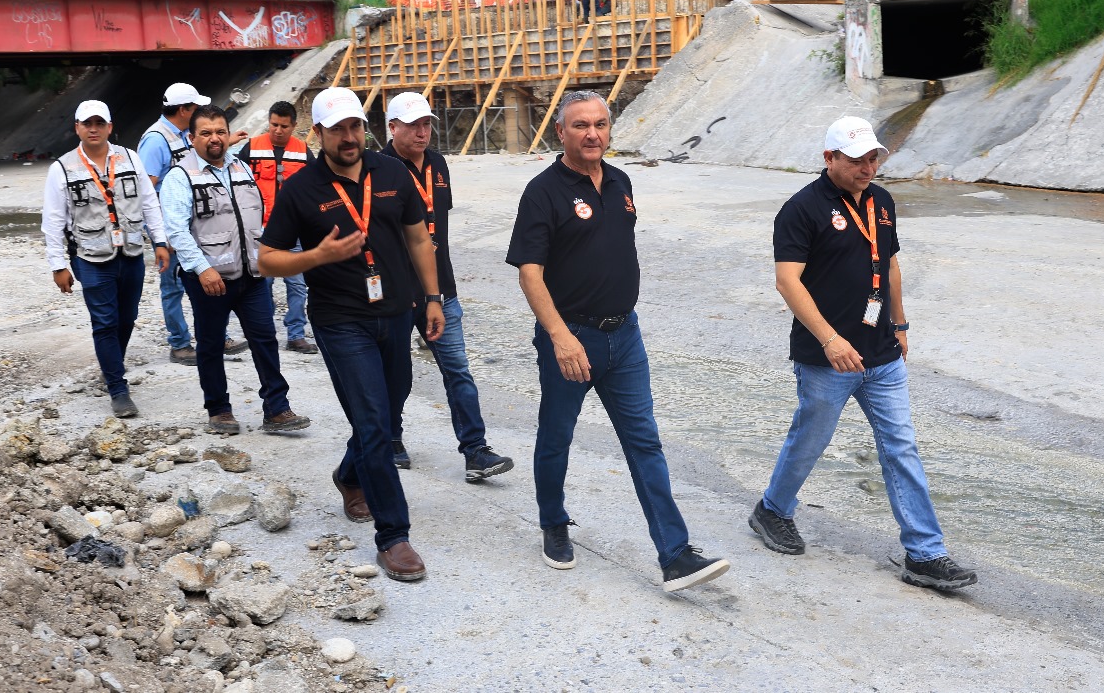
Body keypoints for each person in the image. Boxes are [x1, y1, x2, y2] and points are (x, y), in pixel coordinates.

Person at [505, 89, 730, 594]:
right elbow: (529, 274)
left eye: (600, 124)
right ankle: (553, 522)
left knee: (644, 440)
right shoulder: (542, 192)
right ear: (560, 132)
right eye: (580, 125)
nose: (592, 134)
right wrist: (560, 337)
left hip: (625, 336)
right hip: (571, 338)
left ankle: (675, 555)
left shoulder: (621, 181)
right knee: (557, 436)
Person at [749, 116, 977, 591]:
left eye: (873, 159)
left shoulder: (882, 202)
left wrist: (900, 323)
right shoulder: (801, 209)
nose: (867, 168)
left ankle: (925, 554)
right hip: (827, 358)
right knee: (810, 441)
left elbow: (889, 265)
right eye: (856, 161)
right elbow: (787, 281)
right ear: (829, 158)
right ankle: (773, 510)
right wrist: (830, 340)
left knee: (901, 447)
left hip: (882, 353)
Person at [257, 87, 444, 583]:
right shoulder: (302, 188)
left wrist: (432, 297)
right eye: (337, 129)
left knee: (388, 410)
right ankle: (394, 536)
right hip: (341, 321)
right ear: (317, 133)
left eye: (355, 126)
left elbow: (418, 237)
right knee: (375, 422)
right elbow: (267, 260)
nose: (348, 137)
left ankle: (348, 474)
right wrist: (316, 256)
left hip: (396, 312)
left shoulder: (392, 173)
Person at [380, 91, 515, 481]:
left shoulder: (438, 164)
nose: (422, 133)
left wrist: (437, 289)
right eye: (413, 126)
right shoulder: (378, 169)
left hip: (441, 289)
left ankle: (476, 451)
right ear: (392, 127)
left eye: (426, 125)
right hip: (397, 294)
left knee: (458, 371)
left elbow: (438, 222)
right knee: (396, 374)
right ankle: (390, 439)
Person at [159, 104, 310, 437]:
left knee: (265, 340)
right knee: (211, 344)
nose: (214, 138)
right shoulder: (180, 177)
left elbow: (256, 219)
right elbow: (177, 230)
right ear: (192, 138)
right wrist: (202, 269)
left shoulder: (241, 167)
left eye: (220, 132)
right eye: (206, 133)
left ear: (228, 134)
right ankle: (219, 410)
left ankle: (277, 409)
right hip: (209, 280)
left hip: (252, 276)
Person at [42, 100, 170, 418]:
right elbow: (53, 221)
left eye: (100, 123)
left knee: (127, 318)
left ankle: (111, 364)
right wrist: (58, 265)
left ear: (110, 127)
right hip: (90, 258)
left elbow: (149, 202)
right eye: (87, 123)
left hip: (132, 253)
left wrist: (160, 242)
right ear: (77, 128)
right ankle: (118, 388)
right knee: (104, 322)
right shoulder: (62, 168)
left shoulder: (130, 158)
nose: (94, 129)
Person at [138, 82, 248, 365]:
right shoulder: (156, 140)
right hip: (172, 228)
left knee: (214, 279)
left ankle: (217, 336)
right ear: (184, 110)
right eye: (196, 107)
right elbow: (146, 191)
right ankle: (180, 344)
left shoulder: (183, 135)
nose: (201, 111)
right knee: (174, 287)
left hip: (200, 225)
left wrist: (228, 141)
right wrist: (160, 236)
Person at [237, 100, 317, 354]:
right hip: (261, 231)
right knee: (264, 284)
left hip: (295, 232)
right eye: (274, 125)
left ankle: (296, 335)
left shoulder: (303, 152)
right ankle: (264, 332)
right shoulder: (252, 148)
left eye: (284, 126)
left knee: (297, 286)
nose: (278, 130)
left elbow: (316, 188)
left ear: (293, 126)